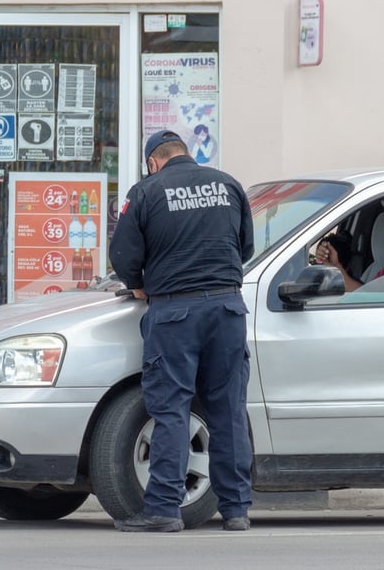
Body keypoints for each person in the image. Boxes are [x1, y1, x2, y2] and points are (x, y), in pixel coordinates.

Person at [109, 129, 254, 533]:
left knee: (171, 410)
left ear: (153, 161)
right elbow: (245, 249)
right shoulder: (229, 185)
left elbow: (123, 256)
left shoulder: (146, 191)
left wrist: (138, 282)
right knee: (228, 410)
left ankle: (163, 510)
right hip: (227, 309)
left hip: (174, 312)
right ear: (185, 154)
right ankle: (237, 509)